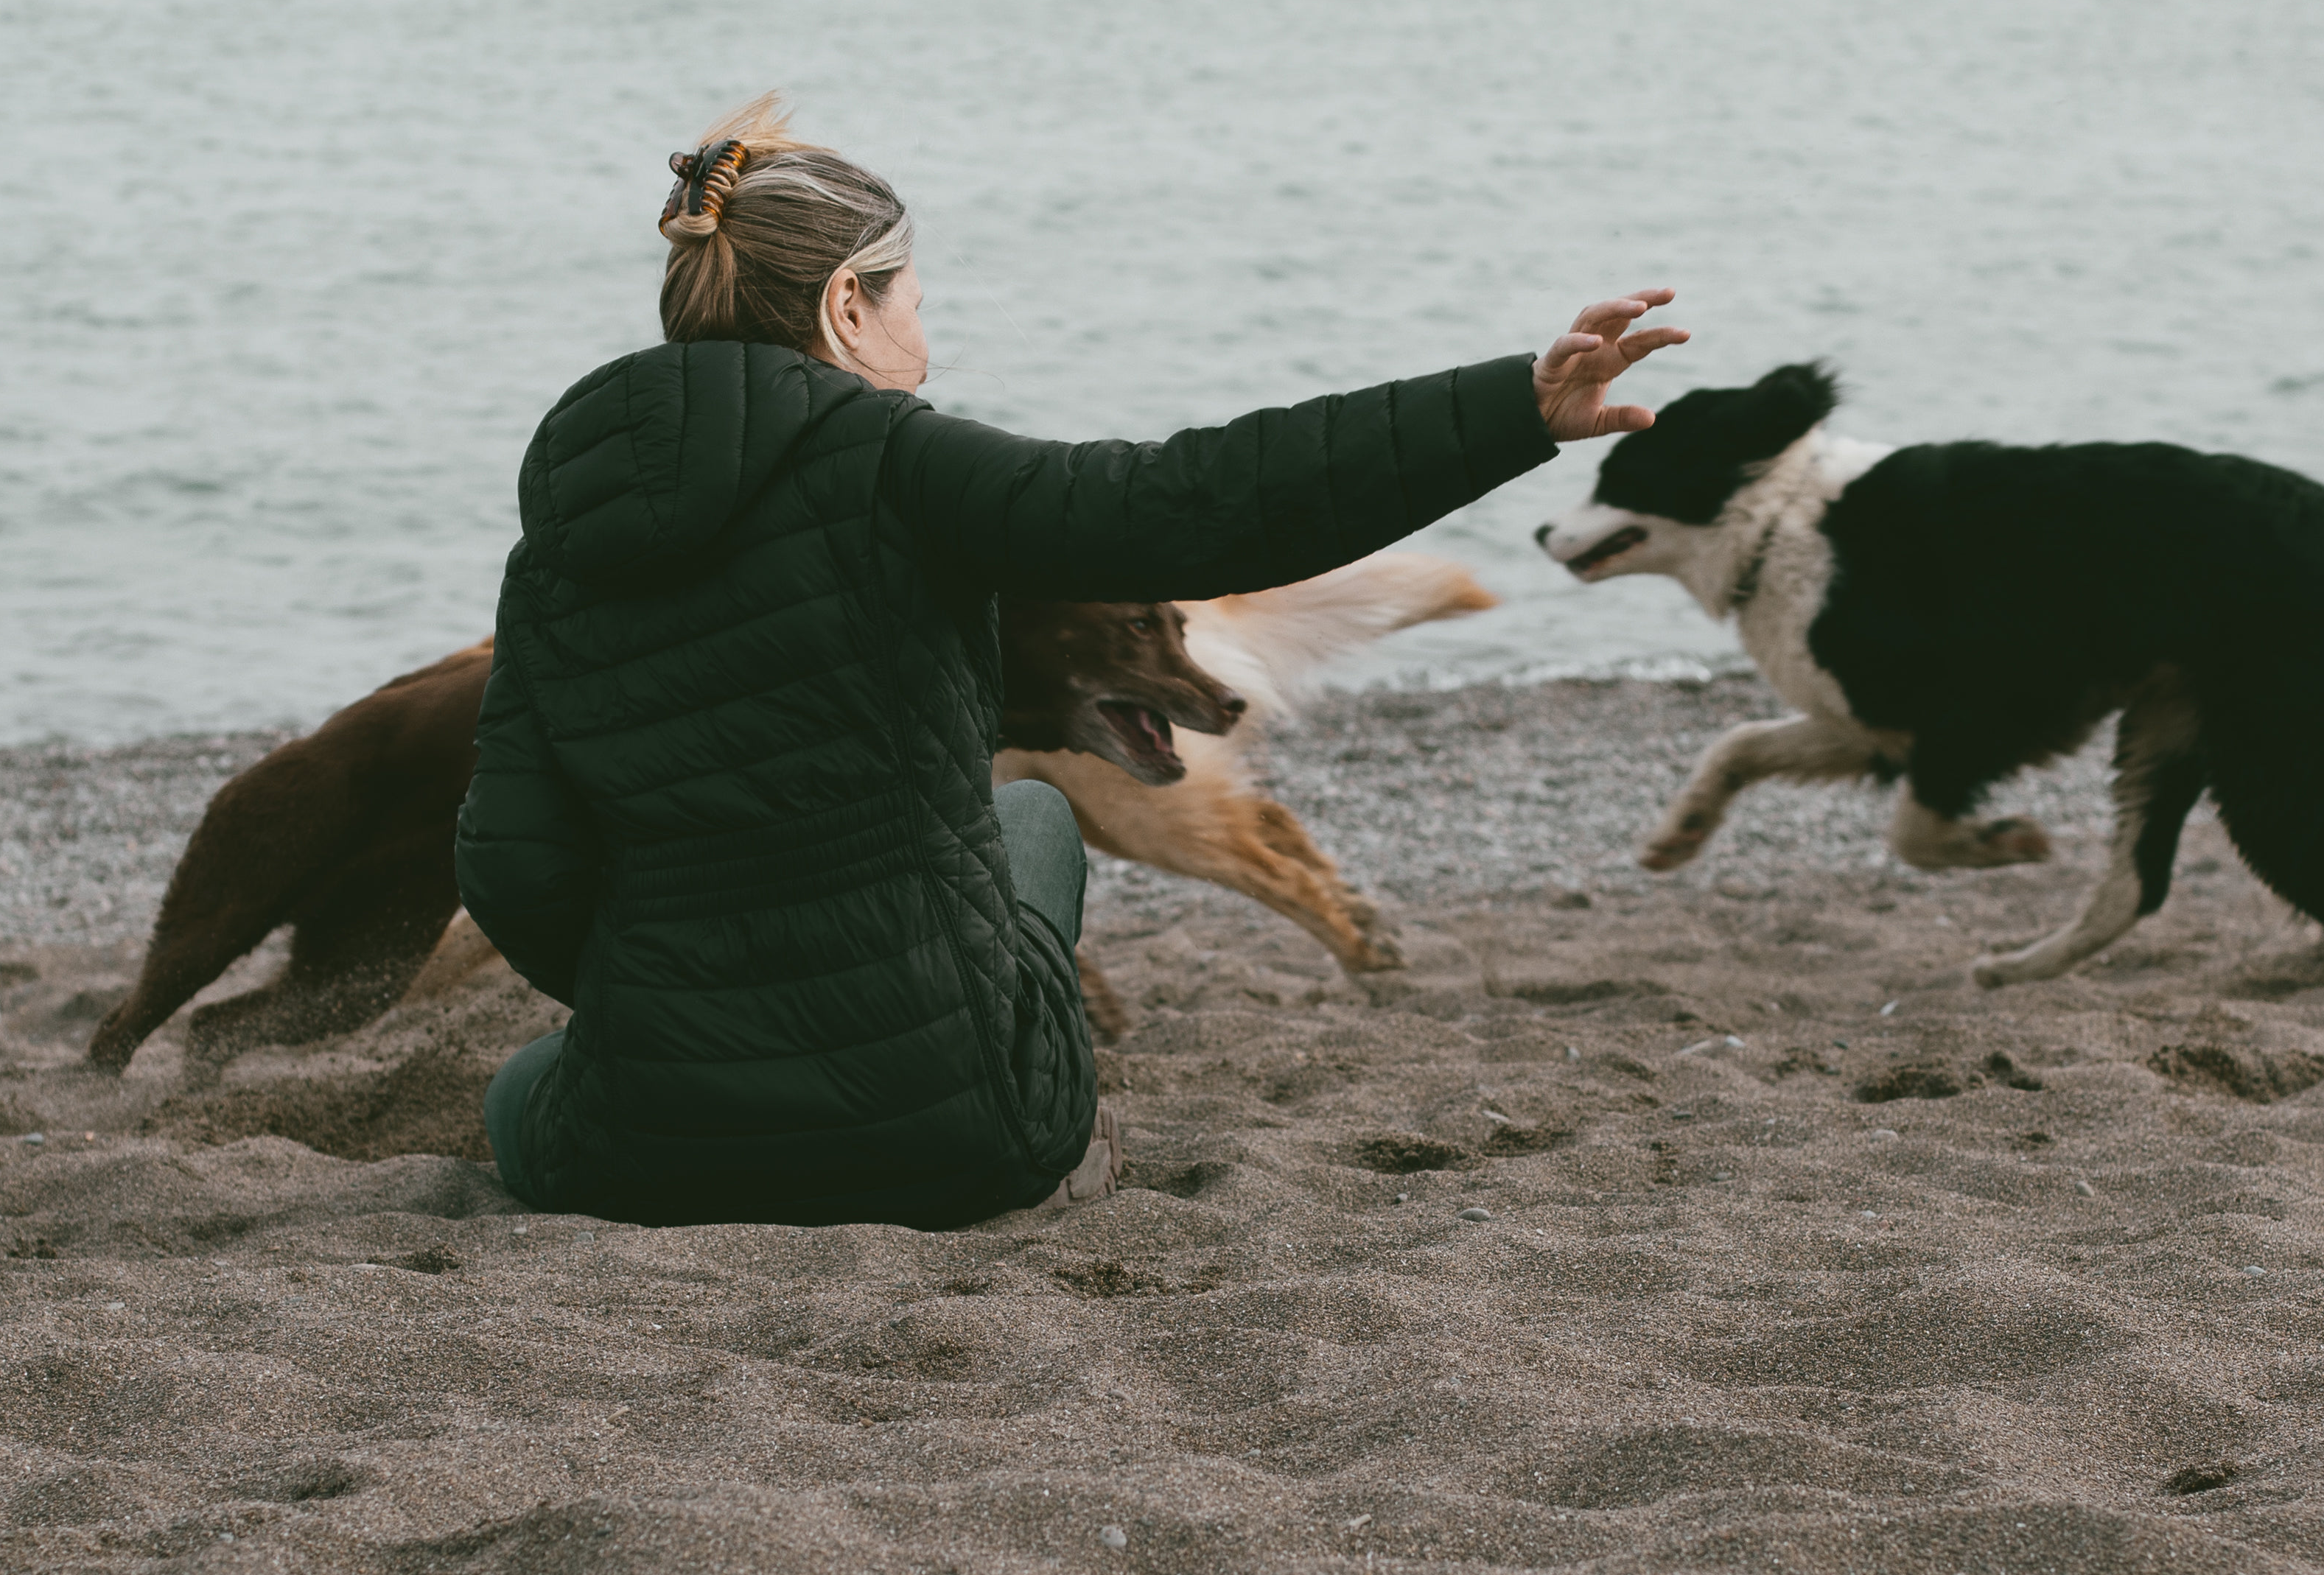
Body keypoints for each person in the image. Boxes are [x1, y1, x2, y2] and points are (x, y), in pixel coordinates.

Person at [456, 97, 1685, 1229]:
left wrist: (666, 993)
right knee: (1033, 815)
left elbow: (510, 865)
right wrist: (1511, 410)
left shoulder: (559, 543)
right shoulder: (897, 459)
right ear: (845, 306)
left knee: (526, 1089)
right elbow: (1196, 502)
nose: (923, 342)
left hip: (649, 1152)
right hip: (951, 1130)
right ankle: (1047, 1152)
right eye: (913, 304)